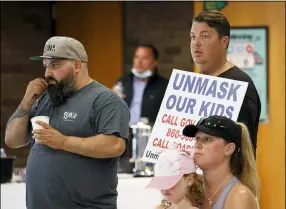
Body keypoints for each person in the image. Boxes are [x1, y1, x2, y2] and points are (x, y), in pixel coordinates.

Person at [4, 36, 130, 209]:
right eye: (46, 66)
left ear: (77, 65)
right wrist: (26, 101)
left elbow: (115, 145)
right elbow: (12, 140)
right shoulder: (45, 99)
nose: (48, 73)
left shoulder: (105, 100)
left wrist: (63, 142)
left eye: (55, 65)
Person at [190, 11, 261, 154]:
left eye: (205, 36)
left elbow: (244, 151)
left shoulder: (240, 85)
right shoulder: (194, 83)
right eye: (193, 37)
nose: (196, 43)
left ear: (224, 42)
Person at [183, 115, 260, 209]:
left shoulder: (240, 196)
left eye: (207, 139)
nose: (197, 145)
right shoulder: (191, 189)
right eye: (197, 139)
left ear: (229, 149)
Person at [114, 44, 169, 126]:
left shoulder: (164, 85)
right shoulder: (123, 81)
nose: (139, 62)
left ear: (155, 62)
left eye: (145, 58)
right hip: (123, 132)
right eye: (136, 57)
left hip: (149, 133)